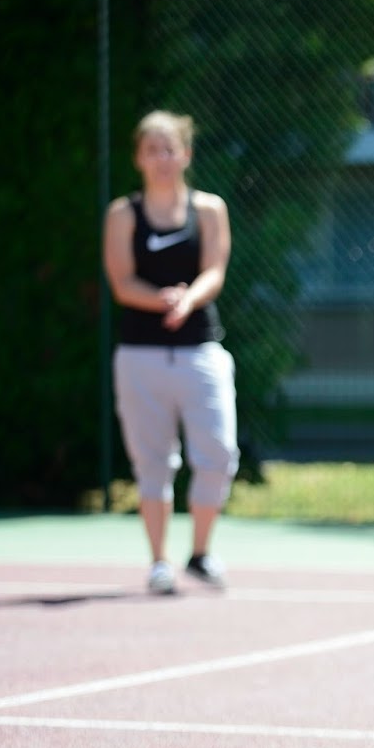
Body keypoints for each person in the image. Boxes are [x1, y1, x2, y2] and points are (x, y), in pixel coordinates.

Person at [102, 110, 238, 595]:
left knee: (219, 454)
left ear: (186, 154)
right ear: (139, 158)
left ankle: (200, 554)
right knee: (152, 462)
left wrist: (189, 299)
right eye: (151, 150)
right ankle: (158, 563)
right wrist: (157, 299)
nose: (162, 158)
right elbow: (122, 281)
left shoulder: (209, 210)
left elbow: (214, 271)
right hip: (140, 355)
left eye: (170, 148)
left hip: (200, 350)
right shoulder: (123, 214)